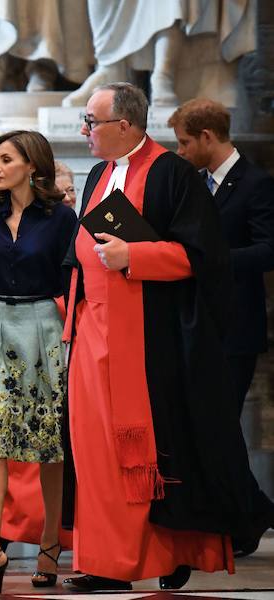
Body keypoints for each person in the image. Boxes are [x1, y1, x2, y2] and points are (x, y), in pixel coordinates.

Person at [61, 82, 273, 592]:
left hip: (149, 341)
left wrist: (135, 257)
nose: (84, 131)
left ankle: (148, 557)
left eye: (92, 122)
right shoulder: (96, 174)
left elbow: (205, 258)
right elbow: (81, 251)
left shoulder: (173, 174)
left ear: (126, 126)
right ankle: (103, 558)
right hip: (92, 334)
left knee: (144, 455)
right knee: (93, 453)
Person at [0, 130, 77, 593]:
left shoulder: (61, 218)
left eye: (6, 158)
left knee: (48, 444)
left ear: (31, 165)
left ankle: (50, 543)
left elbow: (73, 283)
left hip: (43, 329)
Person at [168, 98, 274, 556]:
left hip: (235, 326)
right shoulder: (192, 182)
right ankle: (246, 515)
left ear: (208, 137)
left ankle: (247, 518)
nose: (182, 151)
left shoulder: (255, 184)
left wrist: (212, 262)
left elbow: (269, 250)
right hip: (195, 325)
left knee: (220, 428)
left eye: (186, 142)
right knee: (206, 427)